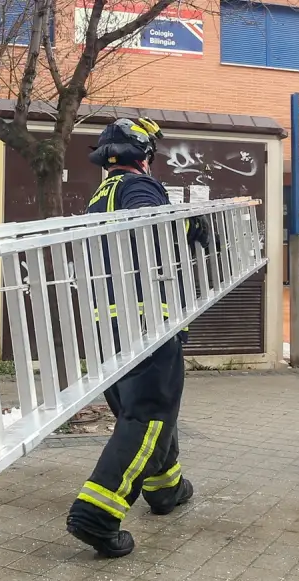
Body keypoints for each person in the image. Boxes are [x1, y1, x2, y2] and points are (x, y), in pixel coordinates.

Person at [65, 117, 210, 558]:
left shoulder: (100, 196)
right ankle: (98, 512)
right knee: (148, 416)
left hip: (109, 324)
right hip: (147, 320)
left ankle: (166, 488)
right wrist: (187, 224)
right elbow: (149, 229)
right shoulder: (139, 187)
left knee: (145, 411)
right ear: (145, 156)